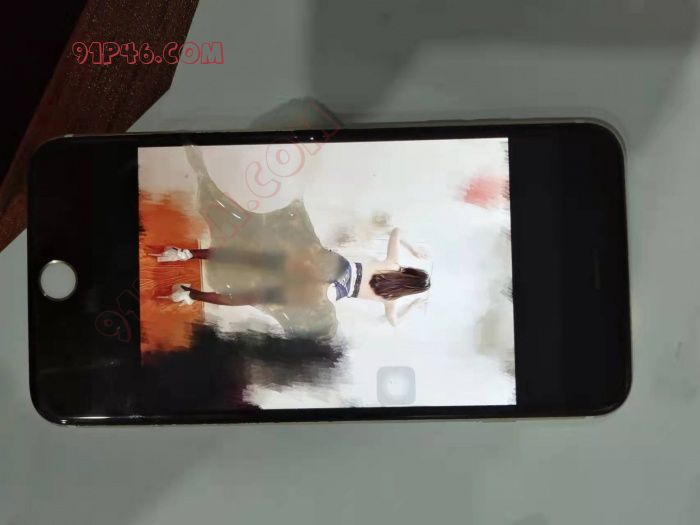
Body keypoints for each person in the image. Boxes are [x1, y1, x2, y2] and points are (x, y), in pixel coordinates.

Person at [152, 146, 430, 339]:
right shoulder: (391, 299)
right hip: (332, 292)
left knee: (252, 259)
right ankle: (189, 293)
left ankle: (185, 254)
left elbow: (396, 231)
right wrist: (413, 306)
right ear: (408, 290)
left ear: (410, 272)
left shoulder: (392, 264)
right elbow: (393, 323)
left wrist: (415, 250)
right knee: (253, 296)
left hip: (334, 266)